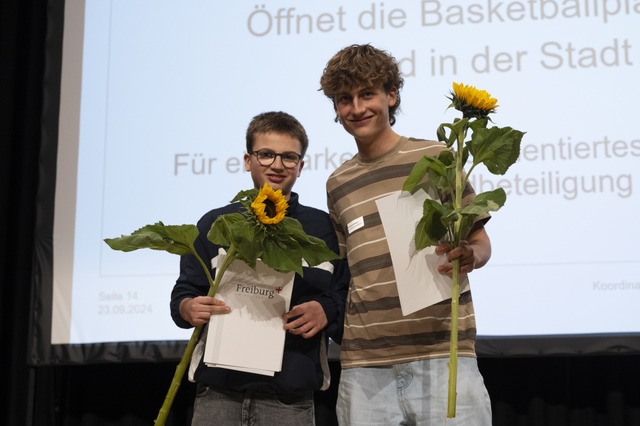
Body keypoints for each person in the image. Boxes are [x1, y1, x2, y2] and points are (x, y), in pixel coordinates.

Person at [319, 44, 493, 425]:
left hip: (442, 356)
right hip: (364, 366)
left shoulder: (437, 157)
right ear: (336, 108)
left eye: (367, 94)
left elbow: (480, 241)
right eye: (344, 99)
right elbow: (348, 270)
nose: (357, 108)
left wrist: (471, 255)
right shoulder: (337, 183)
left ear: (391, 95)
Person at [170, 111, 349, 426]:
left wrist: (327, 310)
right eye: (266, 154)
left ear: (301, 165)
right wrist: (188, 307)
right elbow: (185, 292)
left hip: (289, 400)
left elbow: (343, 293)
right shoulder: (216, 223)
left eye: (289, 157)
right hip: (217, 395)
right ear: (247, 160)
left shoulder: (322, 227)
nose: (277, 165)